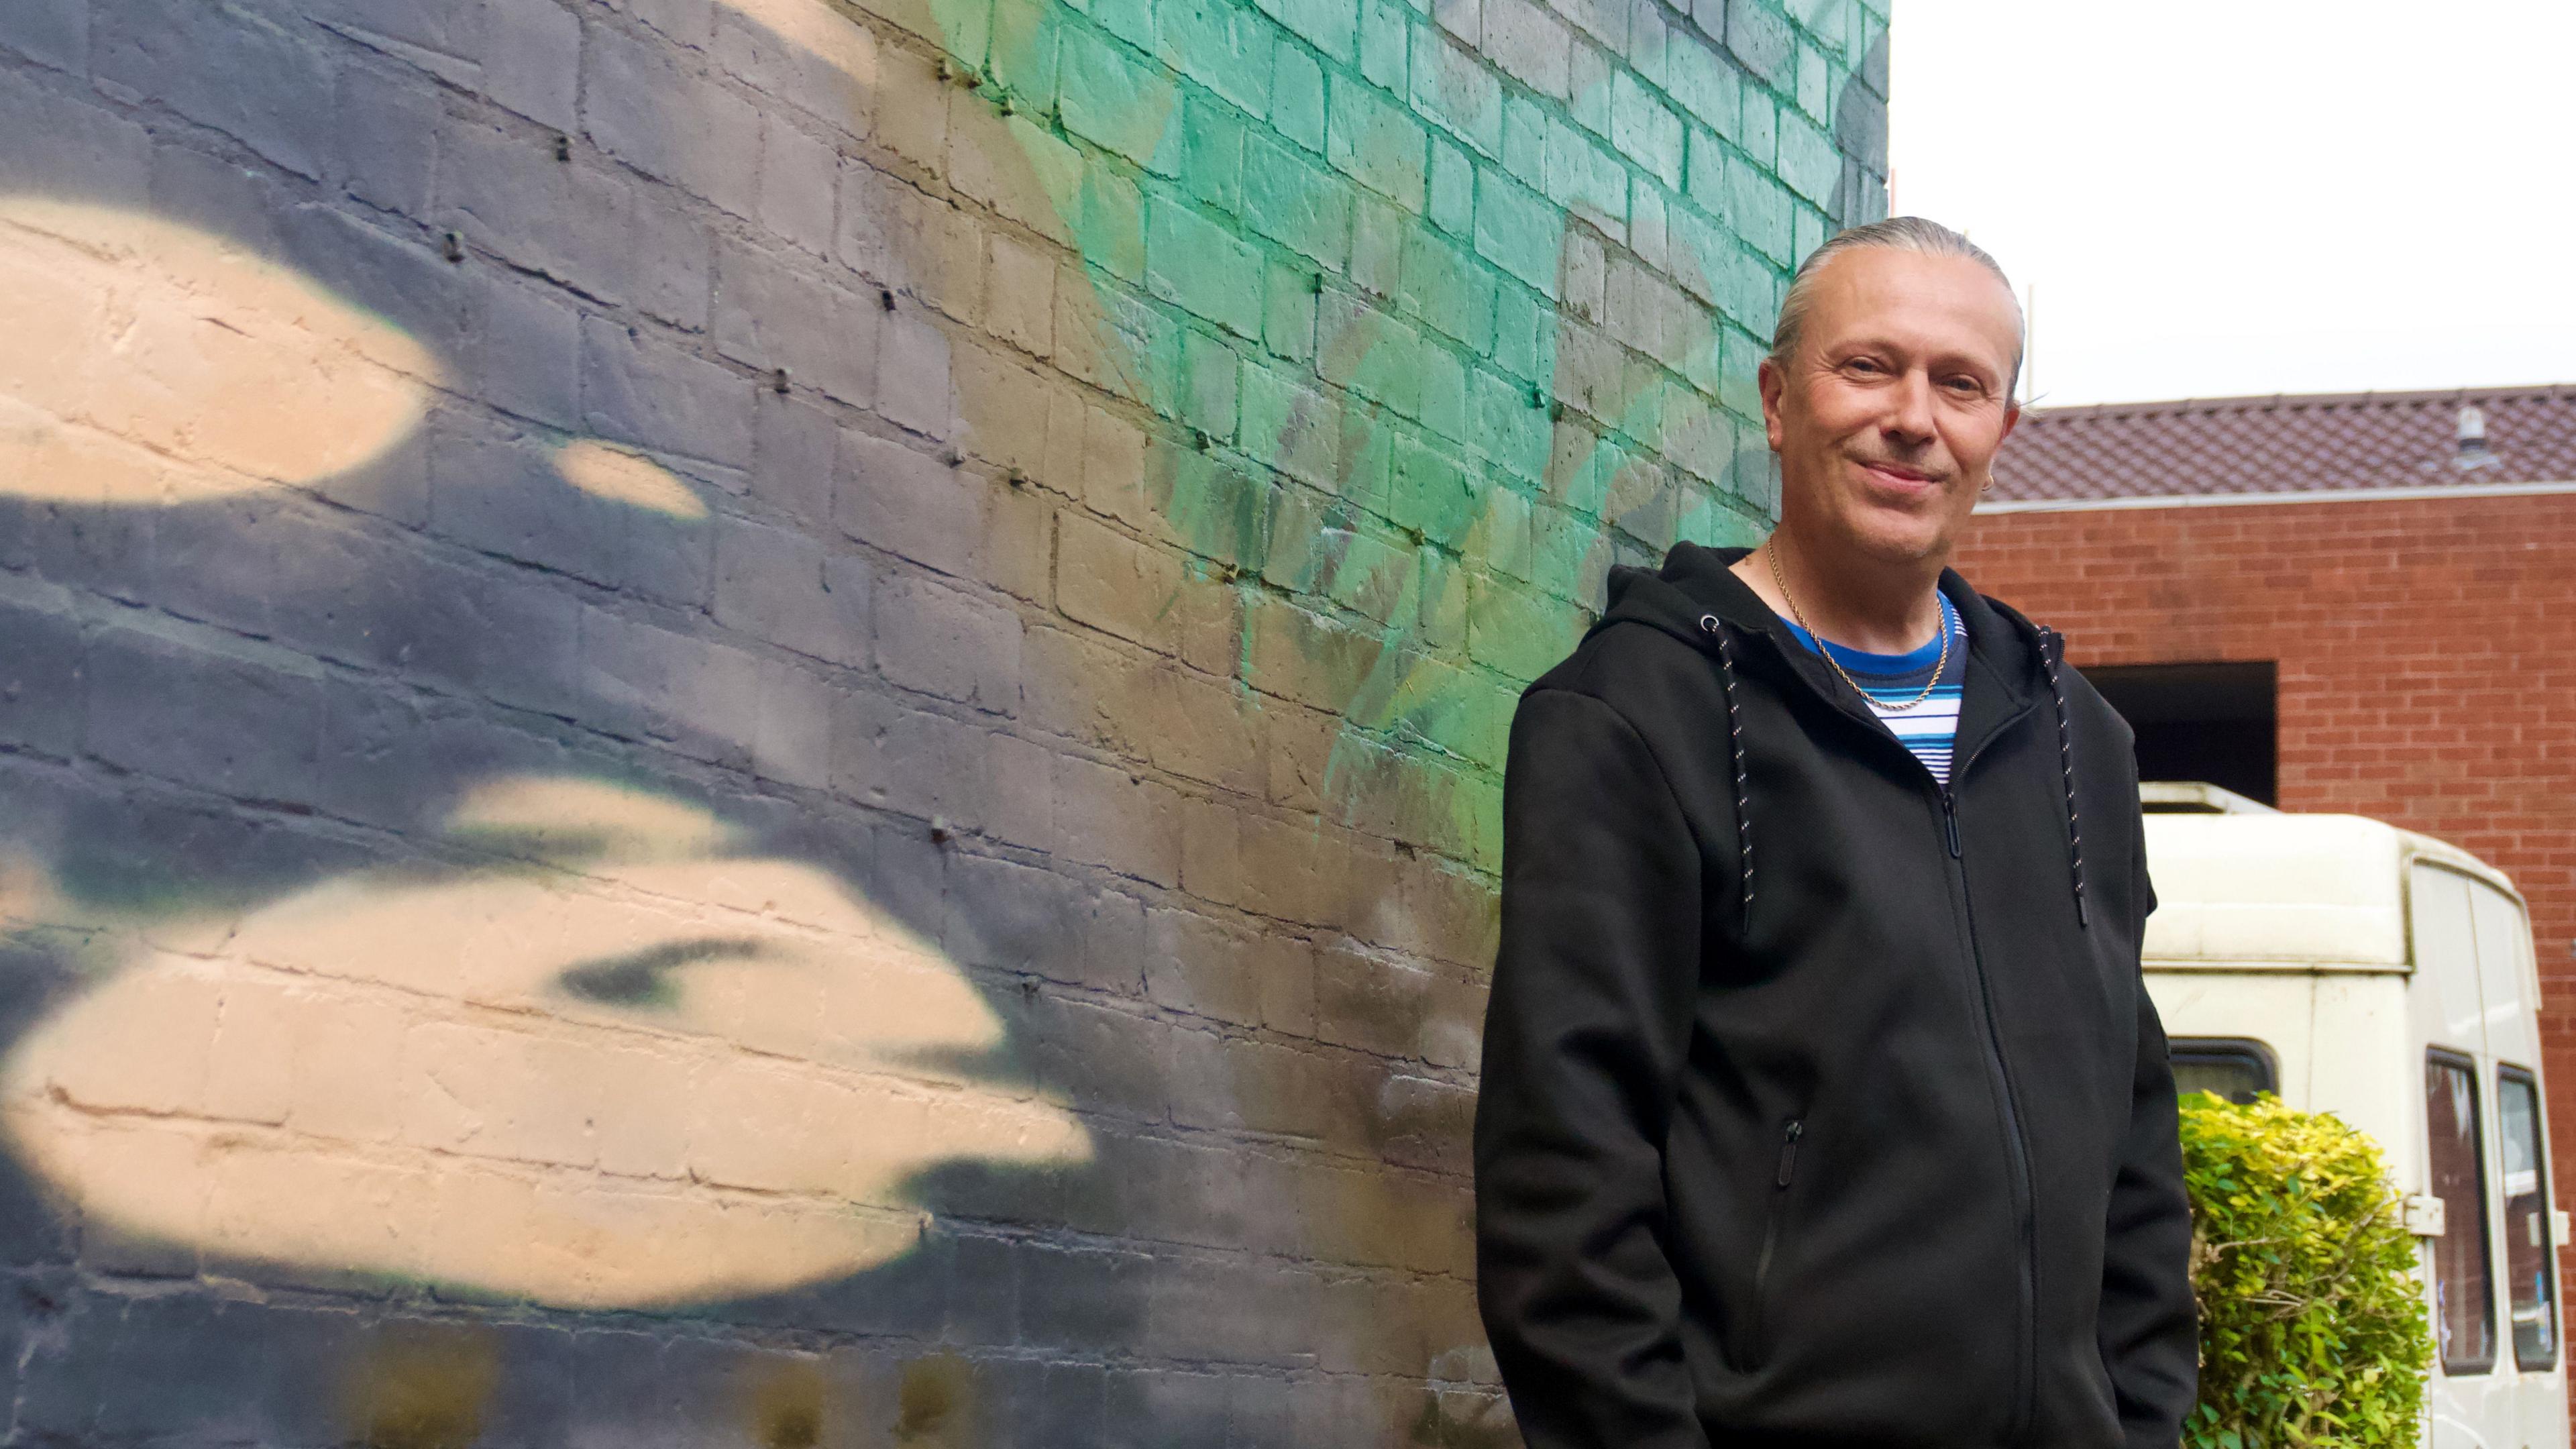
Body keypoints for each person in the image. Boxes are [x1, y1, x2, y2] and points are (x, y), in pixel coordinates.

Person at [1472, 217, 2197, 1448]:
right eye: (1870, 367)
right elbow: (1564, 1189)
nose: (1915, 417)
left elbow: (2133, 1152)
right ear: (1776, 399)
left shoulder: (2078, 740)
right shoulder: (1634, 716)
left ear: (2000, 432)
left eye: (1961, 385)